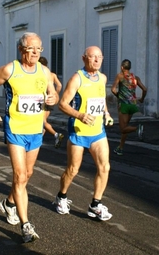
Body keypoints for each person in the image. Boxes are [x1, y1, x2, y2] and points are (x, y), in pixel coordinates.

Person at [0, 32, 58, 243]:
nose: (35, 52)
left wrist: (53, 97)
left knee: (28, 174)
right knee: (20, 175)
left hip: (35, 130)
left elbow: (53, 96)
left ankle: (9, 203)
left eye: (39, 49)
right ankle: (26, 225)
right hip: (15, 128)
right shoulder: (10, 70)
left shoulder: (44, 71)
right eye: (31, 48)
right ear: (21, 49)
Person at [53, 46, 114, 221]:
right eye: (92, 57)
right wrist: (80, 115)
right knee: (73, 170)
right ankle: (62, 196)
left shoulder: (102, 78)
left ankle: (95, 205)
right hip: (78, 132)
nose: (96, 60)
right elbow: (63, 104)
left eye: (99, 57)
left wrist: (107, 113)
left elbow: (101, 99)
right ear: (84, 58)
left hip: (98, 132)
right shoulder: (76, 78)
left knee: (105, 167)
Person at [111, 59, 147, 155]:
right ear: (129, 68)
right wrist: (142, 99)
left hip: (124, 105)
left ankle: (137, 128)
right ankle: (120, 147)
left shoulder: (120, 76)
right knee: (126, 127)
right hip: (132, 104)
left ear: (122, 67)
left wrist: (120, 96)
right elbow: (144, 89)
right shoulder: (135, 78)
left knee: (123, 129)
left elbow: (113, 89)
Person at [38, 56, 64, 148]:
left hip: (43, 100)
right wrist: (55, 94)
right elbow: (59, 85)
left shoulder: (40, 73)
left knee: (42, 121)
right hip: (50, 100)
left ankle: (56, 134)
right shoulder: (52, 74)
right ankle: (39, 139)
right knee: (42, 121)